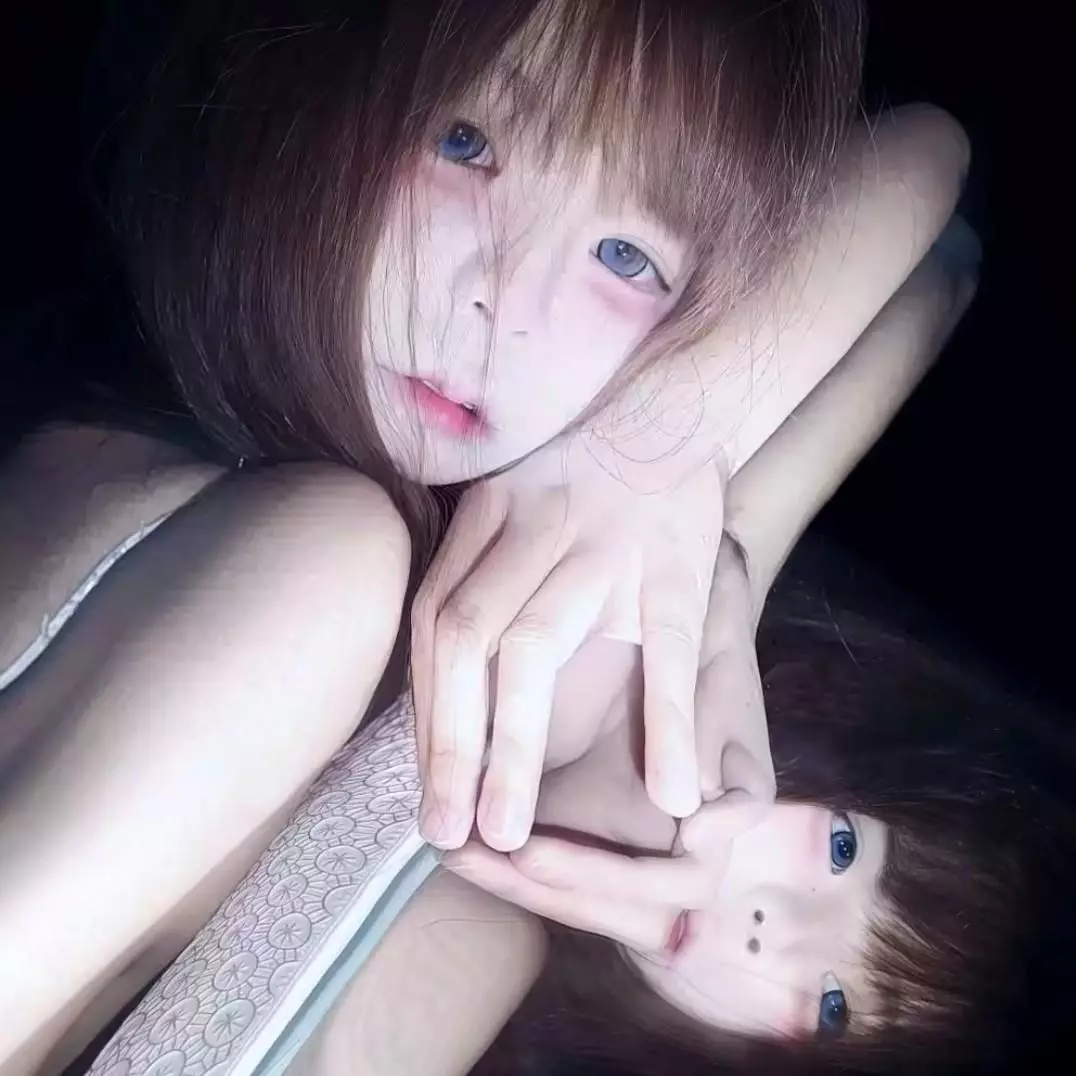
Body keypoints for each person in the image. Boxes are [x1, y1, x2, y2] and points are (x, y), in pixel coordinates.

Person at [0, 0, 968, 1070]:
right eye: (466, 144)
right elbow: (937, 195)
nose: (506, 301)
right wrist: (658, 452)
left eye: (624, 255)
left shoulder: (492, 913)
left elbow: (943, 245)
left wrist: (713, 541)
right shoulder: (242, 496)